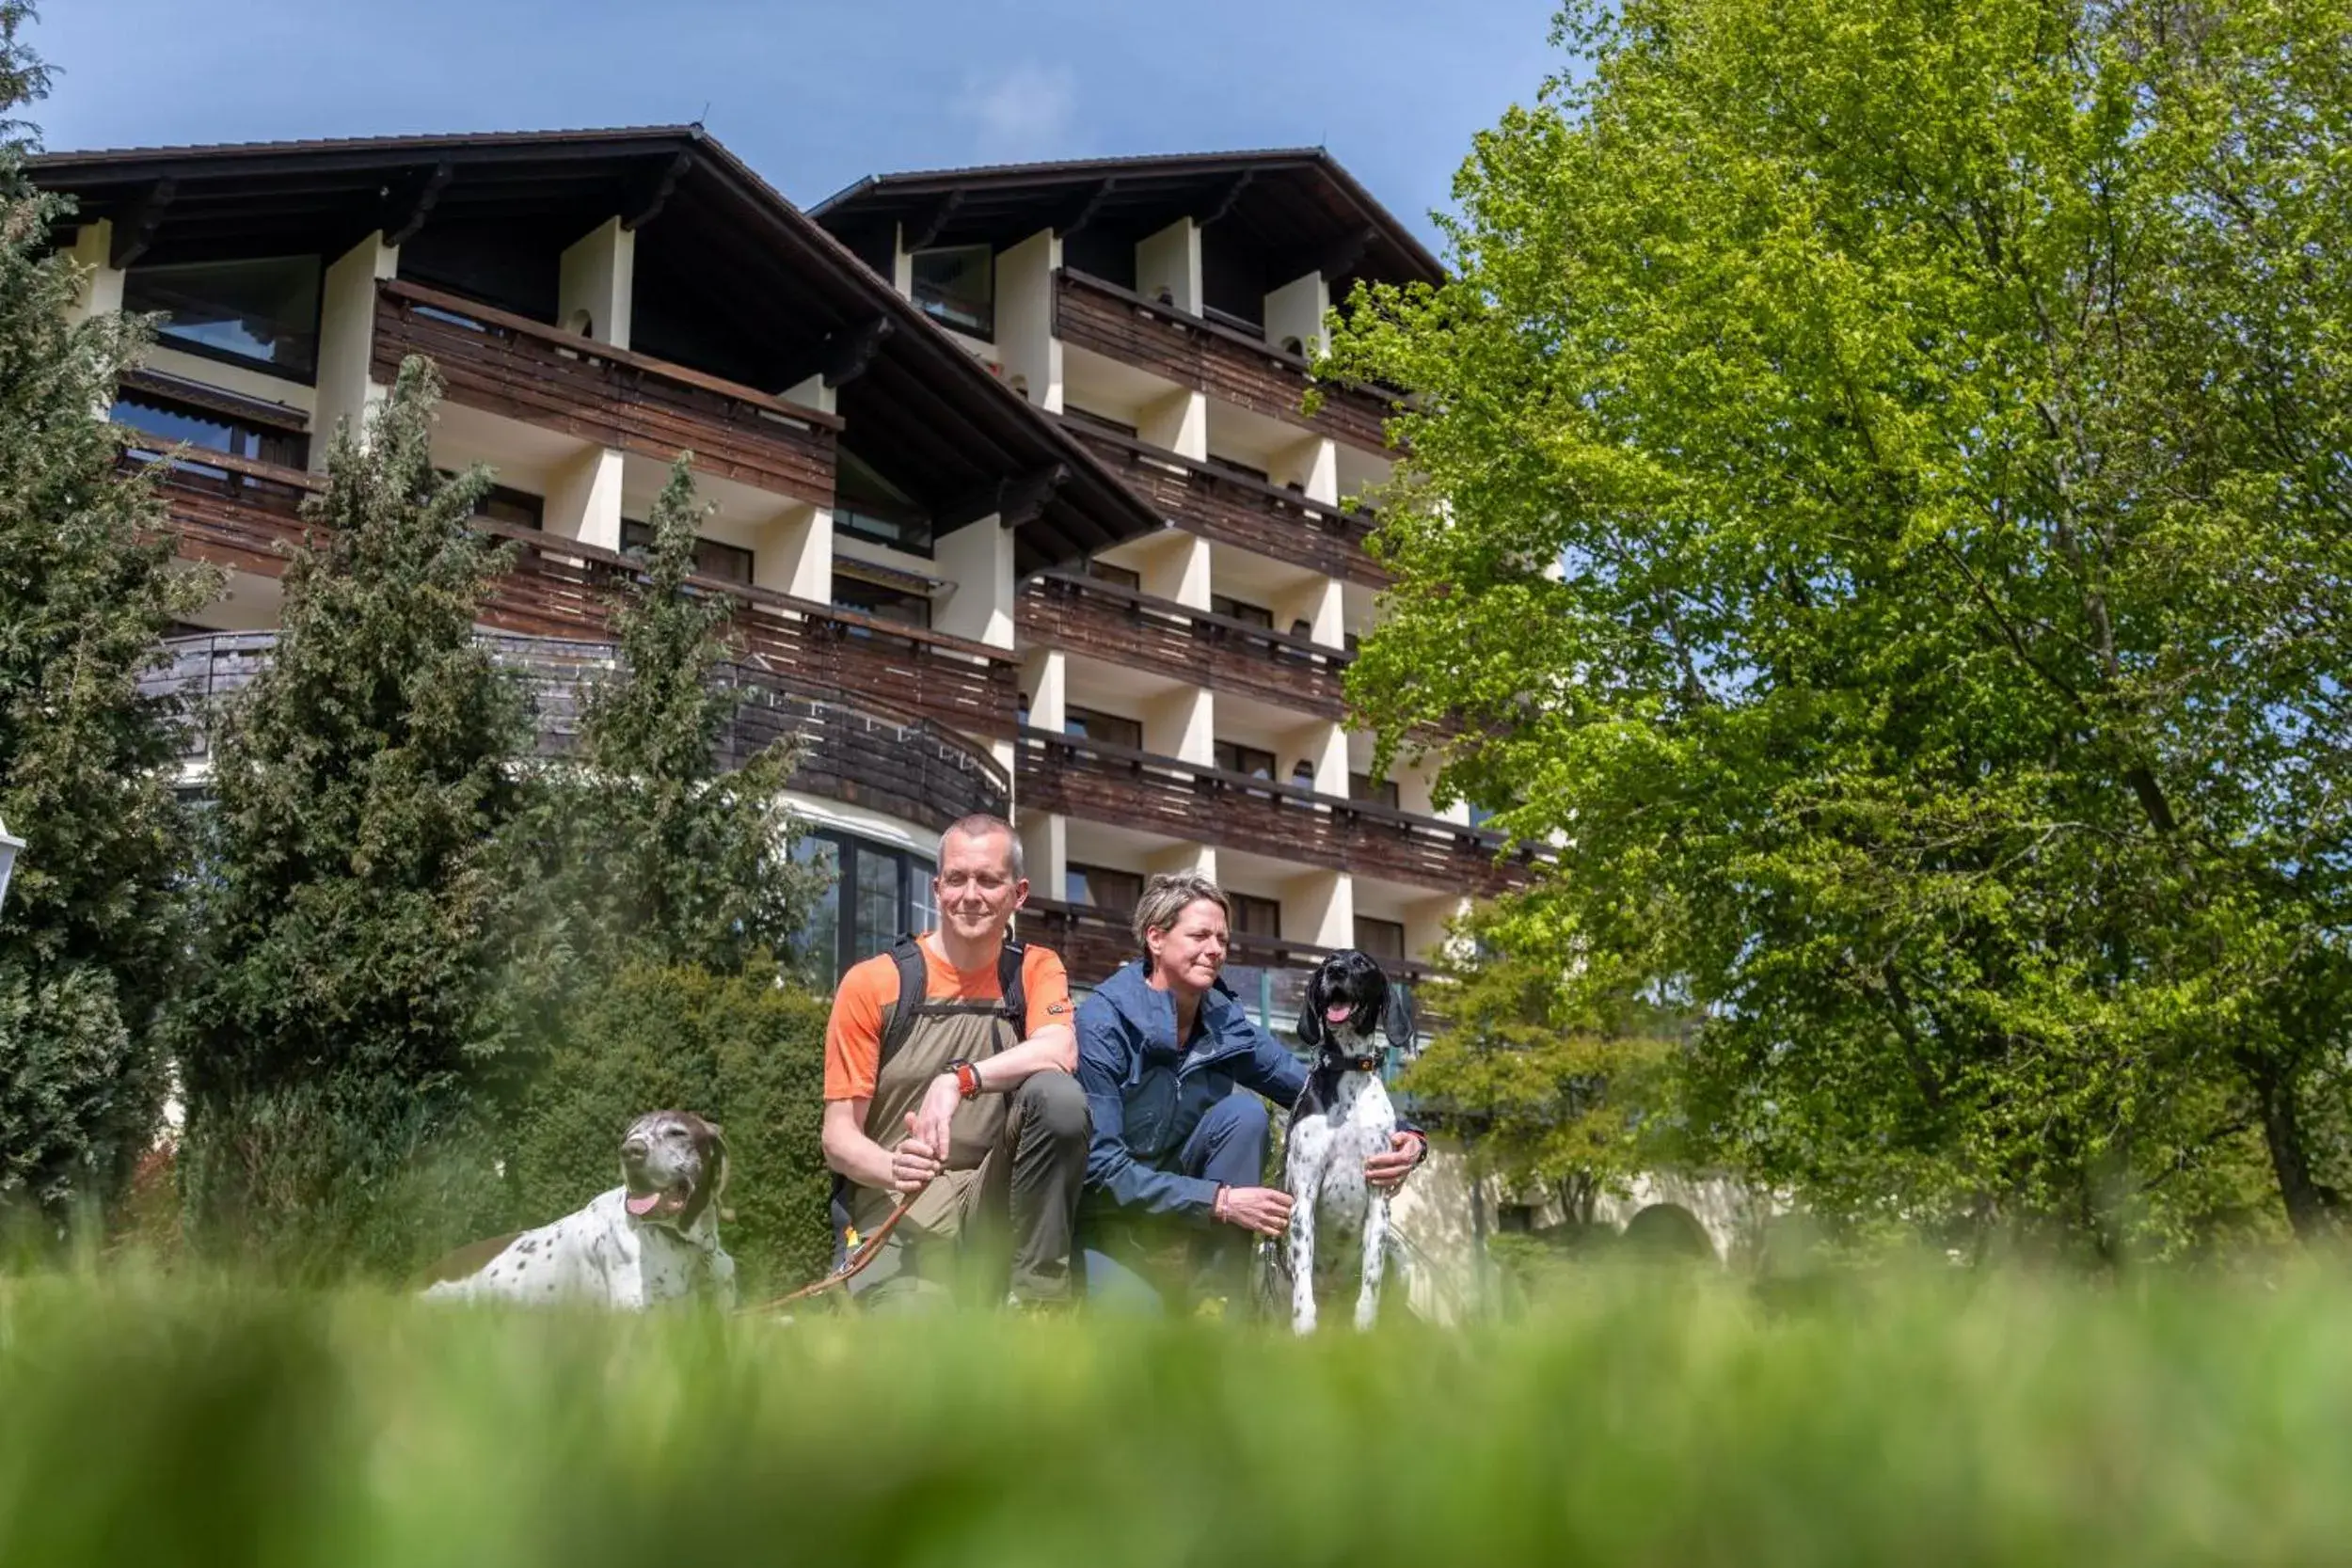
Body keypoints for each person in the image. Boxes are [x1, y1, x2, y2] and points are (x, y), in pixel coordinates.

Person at [1075, 872, 1426, 1315]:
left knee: (1244, 1114)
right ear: (1156, 939)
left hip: (1184, 1214)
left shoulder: (1224, 1021)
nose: (1215, 950)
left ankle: (1219, 1303)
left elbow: (1315, 1090)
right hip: (1107, 1218)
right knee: (1144, 1327)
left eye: (1222, 938)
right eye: (1200, 935)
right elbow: (1101, 1172)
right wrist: (1220, 1202)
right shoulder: (1101, 1023)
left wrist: (1410, 1139)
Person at [819, 814, 1088, 1308]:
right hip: (900, 1205)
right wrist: (892, 1165)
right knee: (918, 1358)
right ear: (937, 887)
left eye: (989, 880)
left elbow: (1060, 1049)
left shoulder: (1035, 969)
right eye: (958, 879)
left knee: (1059, 1097)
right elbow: (838, 1137)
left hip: (996, 1198)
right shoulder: (874, 984)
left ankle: (1037, 1304)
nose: (971, 895)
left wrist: (959, 1080)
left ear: (1018, 893)